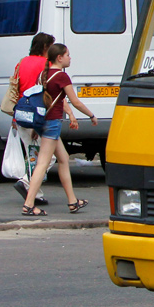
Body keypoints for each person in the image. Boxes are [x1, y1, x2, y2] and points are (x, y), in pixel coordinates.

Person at [21, 44, 97, 217]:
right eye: (68, 55)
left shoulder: (43, 74)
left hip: (42, 122)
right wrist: (91, 115)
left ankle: (72, 201)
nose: (70, 58)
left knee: (63, 159)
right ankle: (29, 204)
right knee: (42, 164)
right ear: (59, 58)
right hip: (52, 123)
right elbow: (75, 101)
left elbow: (40, 99)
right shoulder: (62, 76)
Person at [10, 32, 55, 205]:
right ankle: (26, 183)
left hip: (21, 113)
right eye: (51, 46)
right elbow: (47, 93)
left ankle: (36, 193)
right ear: (45, 47)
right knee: (46, 156)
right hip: (37, 115)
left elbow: (15, 89)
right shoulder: (47, 65)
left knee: (32, 154)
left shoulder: (21, 63)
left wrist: (14, 117)